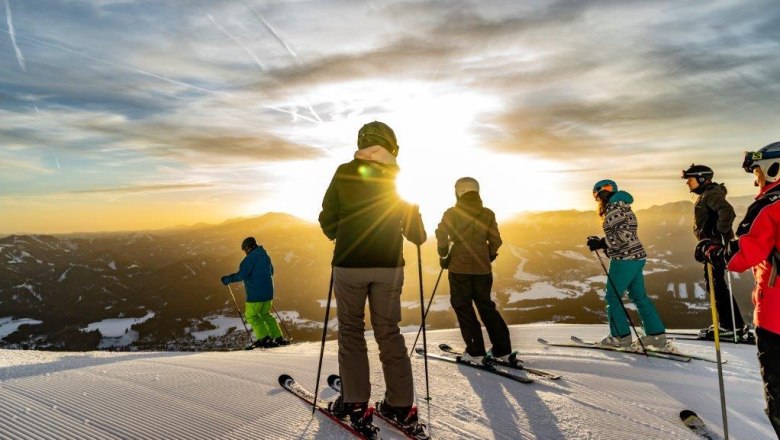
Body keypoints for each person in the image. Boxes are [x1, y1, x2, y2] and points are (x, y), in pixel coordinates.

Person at [318, 121, 427, 435]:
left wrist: (344, 232)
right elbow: (417, 236)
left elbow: (328, 219)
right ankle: (401, 405)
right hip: (389, 267)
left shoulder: (344, 172)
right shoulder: (396, 180)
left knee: (351, 331)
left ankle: (354, 402)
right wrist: (414, 211)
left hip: (350, 264)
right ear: (392, 147)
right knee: (389, 332)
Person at [696, 141, 780, 436]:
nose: (757, 179)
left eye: (757, 172)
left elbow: (744, 256)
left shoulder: (770, 204)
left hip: (777, 319)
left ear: (774, 168)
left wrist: (713, 251)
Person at [435, 177, 513, 364]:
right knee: (486, 306)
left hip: (459, 268)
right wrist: (490, 255)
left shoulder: (452, 213)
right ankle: (503, 350)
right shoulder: (487, 214)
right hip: (482, 268)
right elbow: (495, 240)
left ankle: (475, 351)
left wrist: (444, 254)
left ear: (458, 192)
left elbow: (441, 234)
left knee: (463, 307)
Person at [586, 180, 667, 348]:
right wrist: (604, 242)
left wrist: (602, 243)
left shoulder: (613, 208)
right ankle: (655, 335)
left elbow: (623, 236)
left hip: (624, 260)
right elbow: (625, 233)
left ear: (599, 195)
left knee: (612, 297)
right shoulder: (623, 205)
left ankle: (619, 337)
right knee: (639, 296)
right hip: (636, 257)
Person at [681, 164, 748, 340]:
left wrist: (717, 233)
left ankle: (730, 326)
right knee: (716, 284)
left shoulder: (710, 194)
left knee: (716, 284)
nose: (688, 183)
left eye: (690, 179)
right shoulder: (707, 194)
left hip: (715, 248)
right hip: (712, 246)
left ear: (702, 179)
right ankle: (734, 325)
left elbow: (727, 211)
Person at [220, 237, 289, 348]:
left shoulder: (249, 259)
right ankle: (277, 337)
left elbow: (241, 275)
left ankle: (264, 339)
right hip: (268, 293)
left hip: (255, 295)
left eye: (245, 250)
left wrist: (227, 279)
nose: (245, 252)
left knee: (251, 316)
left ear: (248, 248)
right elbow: (271, 272)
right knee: (266, 314)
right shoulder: (265, 256)